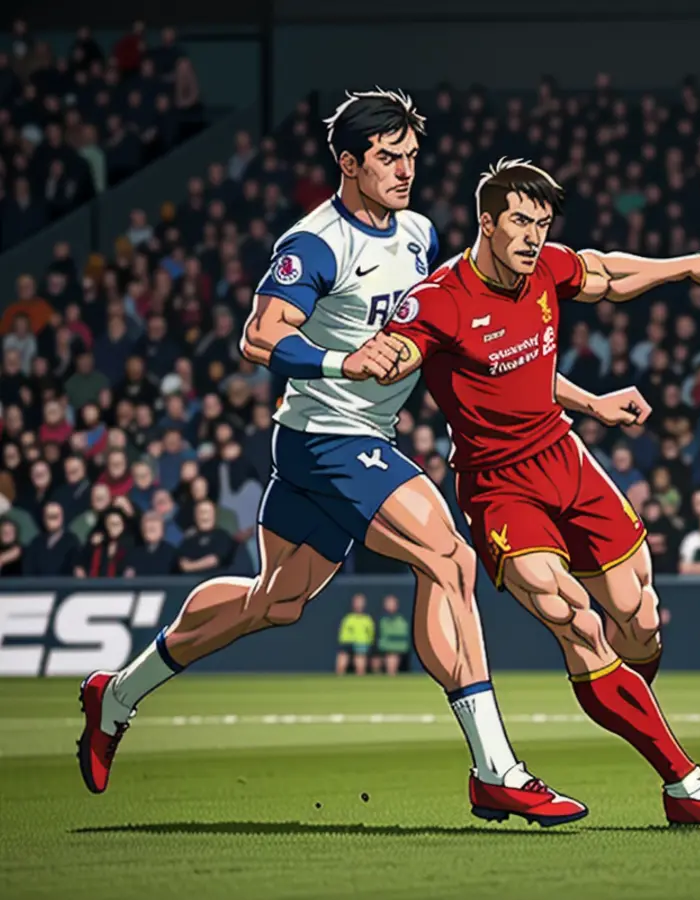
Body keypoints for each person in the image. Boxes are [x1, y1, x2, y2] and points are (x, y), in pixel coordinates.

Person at [77, 91, 584, 828]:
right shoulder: (315, 243)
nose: (404, 169)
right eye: (387, 157)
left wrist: (576, 398)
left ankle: (115, 693)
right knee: (449, 558)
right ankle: (495, 769)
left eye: (411, 155)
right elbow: (259, 338)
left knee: (274, 602)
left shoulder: (417, 232)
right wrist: (342, 362)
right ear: (348, 163)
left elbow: (451, 337)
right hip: (328, 441)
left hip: (348, 442)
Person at [385, 159, 700, 827]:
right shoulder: (441, 299)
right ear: (487, 221)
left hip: (566, 458)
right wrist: (345, 360)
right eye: (519, 223)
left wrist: (689, 267)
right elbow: (395, 349)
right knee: (575, 617)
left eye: (541, 224)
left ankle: (622, 701)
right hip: (498, 487)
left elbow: (607, 273)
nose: (533, 237)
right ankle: (686, 784)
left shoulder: (546, 270)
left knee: (640, 617)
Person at [336, 593, 376, 676]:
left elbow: (371, 633)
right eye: (357, 602)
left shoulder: (367, 619)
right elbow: (342, 632)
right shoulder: (347, 618)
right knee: (342, 662)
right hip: (346, 642)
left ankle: (360, 682)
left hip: (361, 643)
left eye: (361, 602)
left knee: (360, 664)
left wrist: (368, 642)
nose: (359, 605)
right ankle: (339, 681)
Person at [377, 594, 412, 674]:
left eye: (391, 604)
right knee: (375, 662)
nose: (389, 606)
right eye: (387, 604)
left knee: (392, 657)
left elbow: (402, 635)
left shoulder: (402, 621)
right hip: (383, 649)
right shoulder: (382, 620)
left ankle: (391, 676)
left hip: (397, 648)